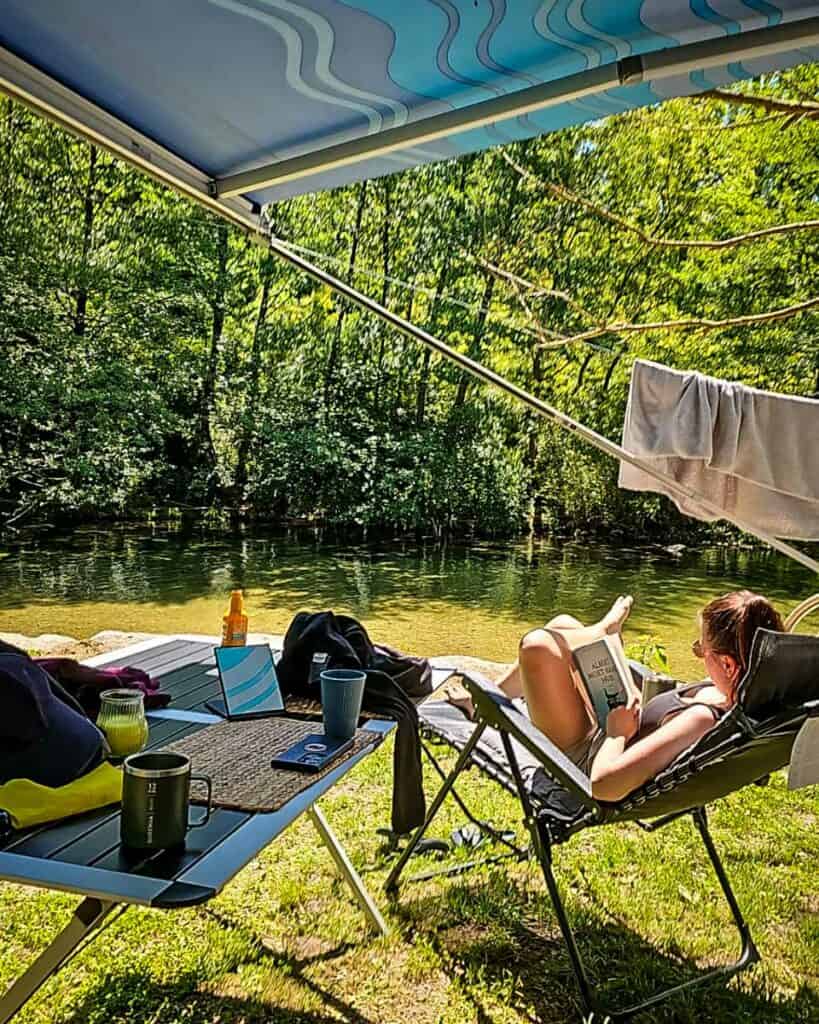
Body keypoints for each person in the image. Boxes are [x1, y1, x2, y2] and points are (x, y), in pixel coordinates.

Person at [495, 590, 784, 802]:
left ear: (728, 664)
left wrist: (616, 734)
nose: (699, 656)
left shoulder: (701, 719)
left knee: (538, 647)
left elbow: (604, 786)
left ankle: (602, 631)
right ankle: (482, 699)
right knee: (562, 625)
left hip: (586, 756)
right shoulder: (743, 691)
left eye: (700, 649)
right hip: (615, 718)